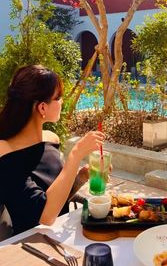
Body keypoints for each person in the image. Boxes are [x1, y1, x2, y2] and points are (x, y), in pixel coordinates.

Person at [0, 64, 105, 235]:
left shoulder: (51, 139)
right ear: (42, 107)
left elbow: (56, 199)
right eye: (58, 97)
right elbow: (44, 216)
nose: (62, 102)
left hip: (60, 238)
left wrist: (81, 177)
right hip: (28, 247)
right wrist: (76, 154)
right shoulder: (5, 151)